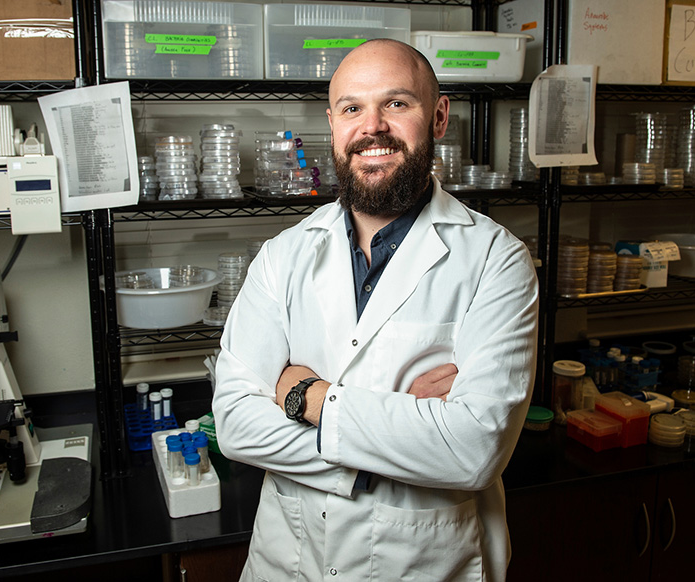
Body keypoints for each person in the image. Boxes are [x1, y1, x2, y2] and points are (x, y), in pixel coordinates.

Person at [212, 38, 539, 582]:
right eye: (352, 108)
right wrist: (403, 432)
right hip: (288, 563)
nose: (373, 127)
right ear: (333, 123)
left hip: (426, 563)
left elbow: (473, 450)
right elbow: (237, 427)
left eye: (396, 103)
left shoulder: (494, 259)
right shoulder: (283, 256)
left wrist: (304, 395)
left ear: (437, 117)